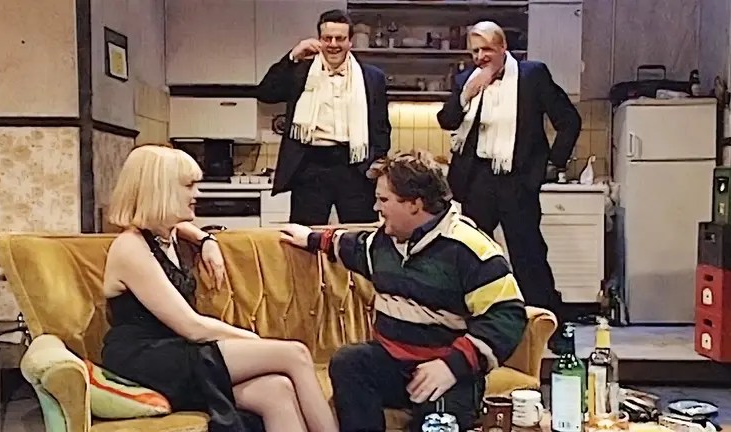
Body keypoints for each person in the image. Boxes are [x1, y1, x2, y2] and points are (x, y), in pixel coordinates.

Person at [280, 151, 528, 431]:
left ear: (414, 204)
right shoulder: (383, 242)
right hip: (393, 364)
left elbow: (508, 314)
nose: (376, 207)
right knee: (350, 361)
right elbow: (351, 246)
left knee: (436, 421)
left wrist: (451, 366)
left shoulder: (470, 249)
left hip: (446, 372)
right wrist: (311, 238)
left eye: (383, 199)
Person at [100, 144, 338, 432]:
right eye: (188, 185)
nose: (197, 193)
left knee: (278, 390)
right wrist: (253, 339)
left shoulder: (166, 232)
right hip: (146, 359)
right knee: (295, 354)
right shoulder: (130, 248)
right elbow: (192, 327)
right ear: (160, 190)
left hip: (175, 350)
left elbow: (180, 228)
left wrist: (206, 240)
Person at [436, 21, 581, 350]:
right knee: (471, 256)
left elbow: (569, 120)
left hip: (517, 179)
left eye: (487, 49)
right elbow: (447, 121)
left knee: (529, 256)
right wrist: (467, 94)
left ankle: (549, 330)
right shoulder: (465, 79)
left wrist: (553, 163)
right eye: (475, 51)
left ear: (503, 48)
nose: (480, 57)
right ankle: (476, 328)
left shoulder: (532, 75)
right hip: (477, 181)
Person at [252, 9, 391, 226]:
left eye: (340, 38)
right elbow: (266, 93)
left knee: (360, 233)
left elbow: (381, 127)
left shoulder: (373, 77)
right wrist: (293, 56)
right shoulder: (301, 72)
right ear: (319, 40)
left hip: (354, 167)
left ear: (350, 42)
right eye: (328, 38)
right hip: (310, 166)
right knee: (304, 235)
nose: (333, 44)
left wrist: (374, 163)